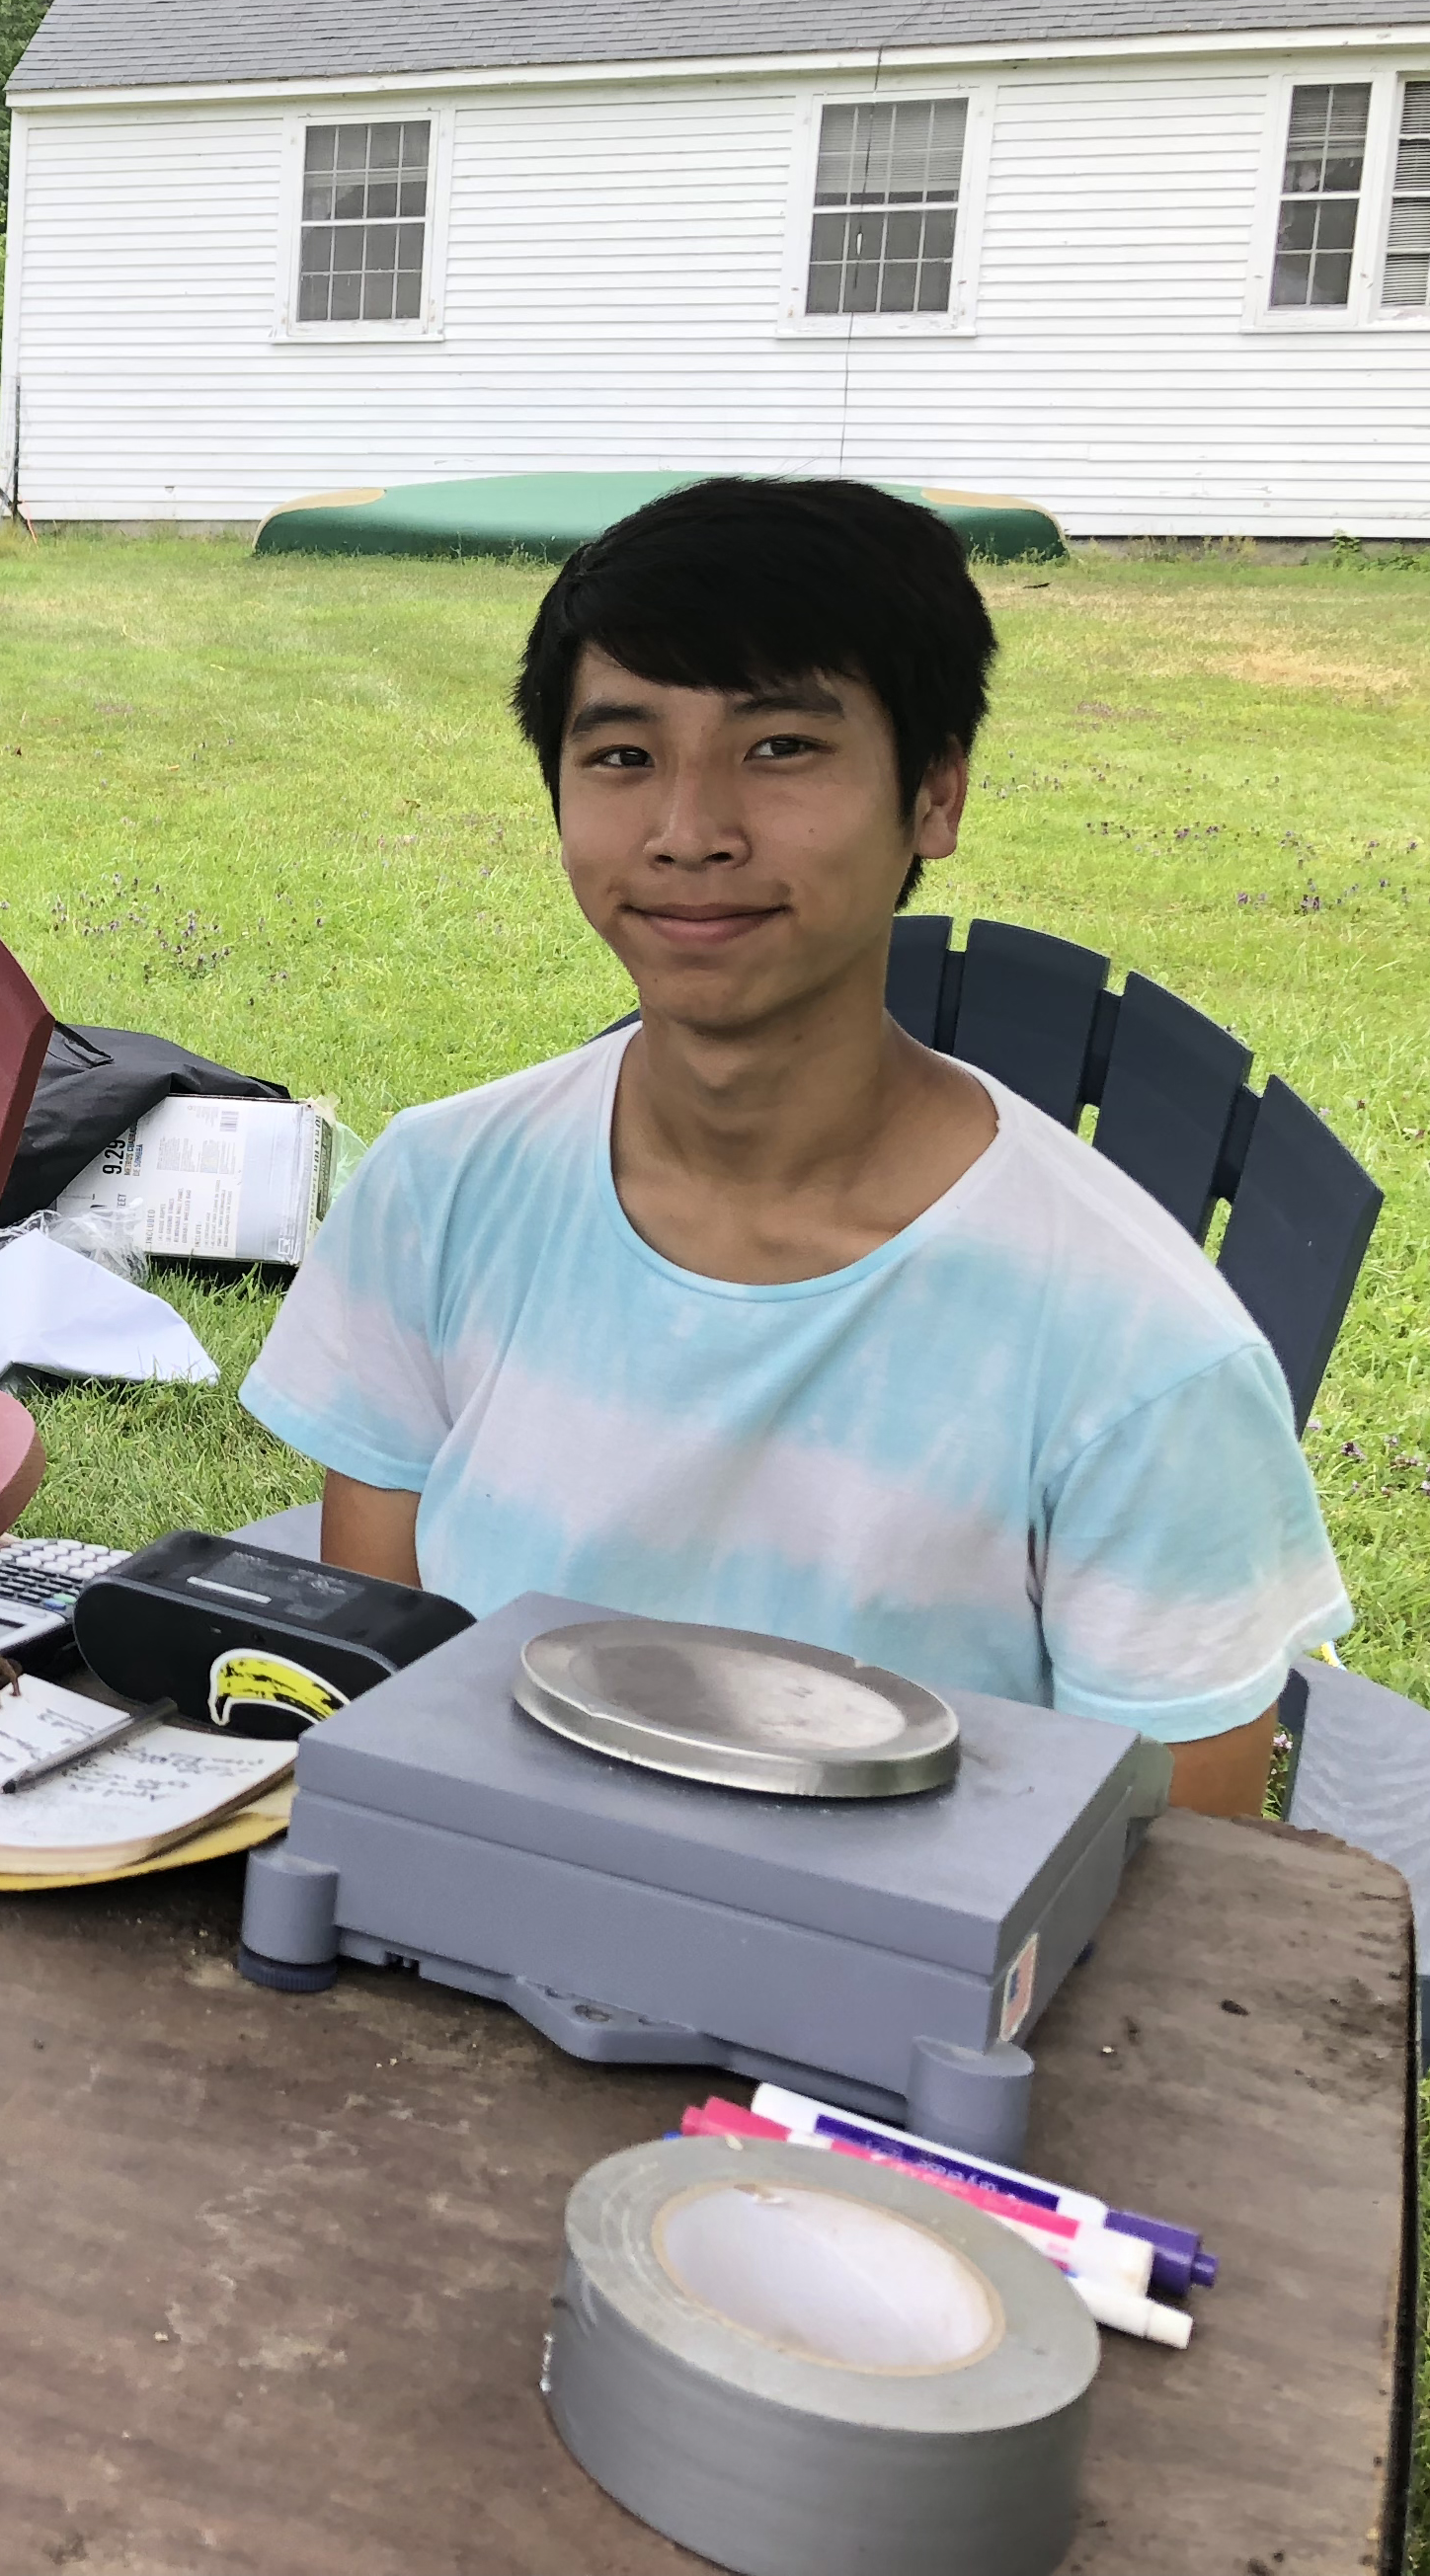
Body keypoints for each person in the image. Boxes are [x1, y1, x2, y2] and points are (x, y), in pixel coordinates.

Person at [241, 478, 1345, 1815]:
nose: (689, 832)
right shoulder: (438, 1192)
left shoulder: (1140, 1352)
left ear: (934, 796)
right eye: (623, 755)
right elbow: (377, 1691)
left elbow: (1182, 1902)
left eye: (780, 749)